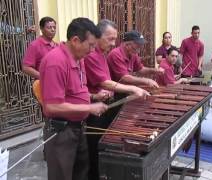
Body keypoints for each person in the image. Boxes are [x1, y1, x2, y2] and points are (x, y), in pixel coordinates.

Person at [39, 17, 107, 180]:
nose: (92, 50)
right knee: (62, 176)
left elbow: (75, 92)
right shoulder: (55, 62)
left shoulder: (79, 58)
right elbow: (52, 107)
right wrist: (89, 108)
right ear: (76, 40)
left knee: (81, 174)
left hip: (79, 128)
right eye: (90, 45)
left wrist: (92, 97)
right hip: (62, 132)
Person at [84, 19, 149, 180]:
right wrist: (133, 88)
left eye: (115, 39)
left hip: (104, 103)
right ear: (97, 35)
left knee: (104, 145)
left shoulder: (101, 54)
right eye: (110, 39)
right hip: (94, 110)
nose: (113, 43)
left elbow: (106, 83)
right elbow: (106, 82)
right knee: (95, 148)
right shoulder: (92, 55)